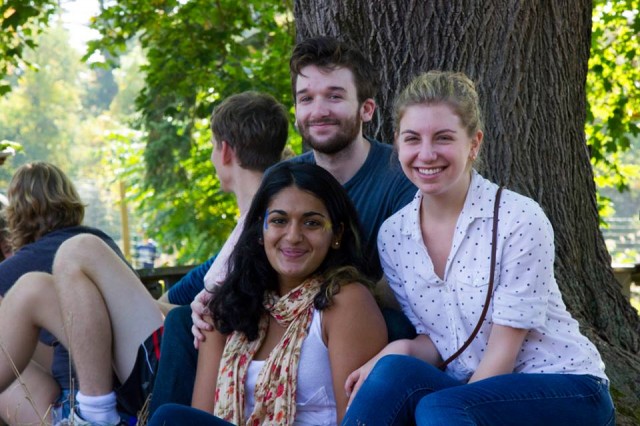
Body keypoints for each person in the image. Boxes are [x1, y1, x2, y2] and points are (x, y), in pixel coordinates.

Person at [149, 35, 418, 413]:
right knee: (188, 322)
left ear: (367, 109)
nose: (319, 110)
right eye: (306, 98)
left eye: (335, 97)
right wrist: (206, 300)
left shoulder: (399, 178)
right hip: (282, 312)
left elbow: (405, 292)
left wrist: (319, 298)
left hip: (354, 315)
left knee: (392, 325)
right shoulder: (284, 176)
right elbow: (233, 262)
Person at [341, 71, 615, 425]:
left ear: (474, 144)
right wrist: (386, 359)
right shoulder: (394, 235)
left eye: (443, 138)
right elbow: (440, 340)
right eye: (412, 138)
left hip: (565, 388)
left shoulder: (518, 218)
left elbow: (502, 355)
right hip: (471, 392)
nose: (426, 153)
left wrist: (459, 403)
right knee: (392, 371)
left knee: (441, 408)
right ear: (397, 142)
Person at [0, 91, 289, 425]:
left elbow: (222, 314)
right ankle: (93, 409)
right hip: (183, 354)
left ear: (224, 151)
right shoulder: (262, 221)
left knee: (79, 250)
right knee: (35, 287)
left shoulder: (265, 221)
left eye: (212, 147)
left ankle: (95, 415)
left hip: (183, 368)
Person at [149, 161, 387, 425]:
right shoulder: (228, 305)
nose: (293, 236)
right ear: (260, 232)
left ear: (336, 234)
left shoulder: (345, 301)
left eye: (311, 223)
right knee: (172, 419)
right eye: (279, 220)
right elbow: (202, 418)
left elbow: (357, 420)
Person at [0, 162, 125, 425]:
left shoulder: (14, 270)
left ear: (17, 211)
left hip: (76, 403)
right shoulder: (101, 242)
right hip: (127, 391)